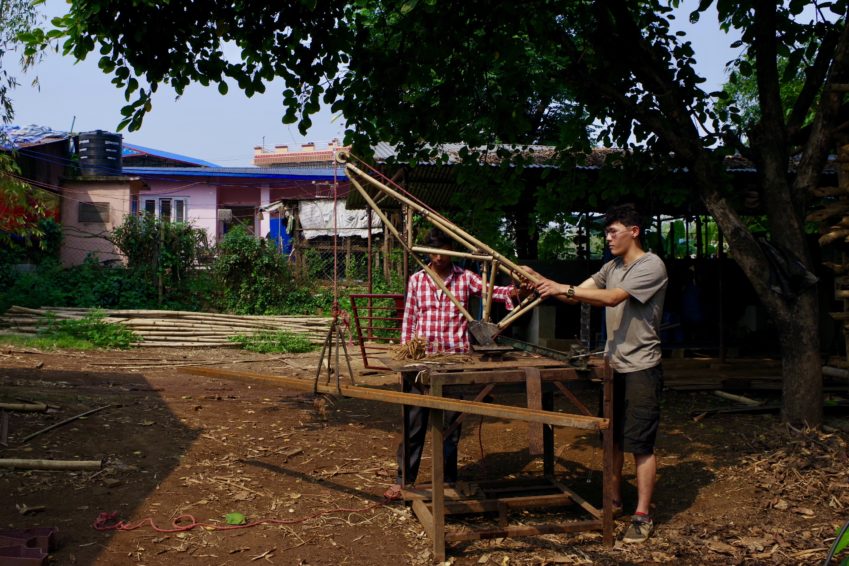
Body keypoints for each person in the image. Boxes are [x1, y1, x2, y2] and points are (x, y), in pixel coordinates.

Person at [525, 204, 667, 544]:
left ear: (634, 231)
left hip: (641, 367)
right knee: (613, 437)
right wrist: (542, 282)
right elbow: (578, 292)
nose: (608, 238)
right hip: (613, 365)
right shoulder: (612, 265)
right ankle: (614, 499)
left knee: (641, 444)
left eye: (612, 232)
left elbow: (613, 298)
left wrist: (565, 289)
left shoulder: (650, 265)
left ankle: (643, 515)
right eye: (605, 233)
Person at [384, 227, 521, 500]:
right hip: (422, 362)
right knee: (414, 423)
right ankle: (404, 479)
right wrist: (406, 357)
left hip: (454, 362)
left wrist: (518, 289)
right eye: (433, 251)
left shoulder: (464, 278)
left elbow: (492, 291)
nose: (438, 256)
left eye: (444, 251)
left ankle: (448, 481)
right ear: (428, 251)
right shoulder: (417, 280)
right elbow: (409, 319)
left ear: (450, 251)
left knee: (450, 427)